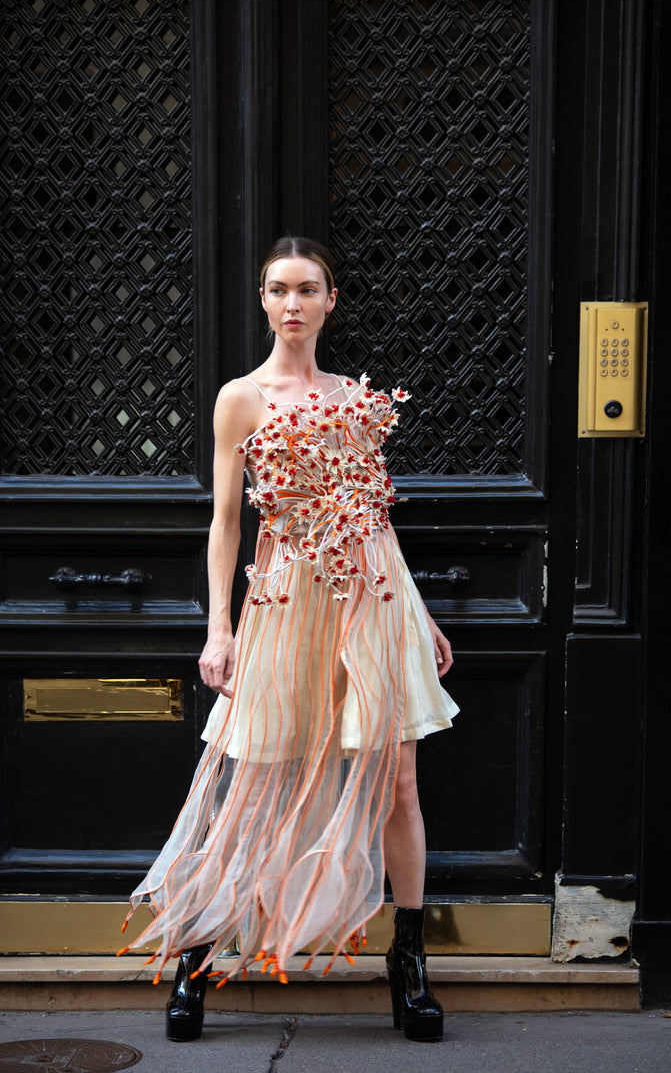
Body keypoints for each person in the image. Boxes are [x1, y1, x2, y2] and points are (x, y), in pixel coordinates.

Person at [121, 236, 459, 1043]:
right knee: (253, 784)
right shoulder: (242, 398)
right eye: (279, 290)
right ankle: (197, 956)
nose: (294, 303)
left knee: (399, 787)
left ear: (331, 299)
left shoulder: (354, 396)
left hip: (375, 602)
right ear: (265, 301)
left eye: (308, 289)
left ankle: (406, 963)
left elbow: (371, 515)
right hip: (283, 600)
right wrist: (219, 625)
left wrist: (419, 611)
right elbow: (226, 523)